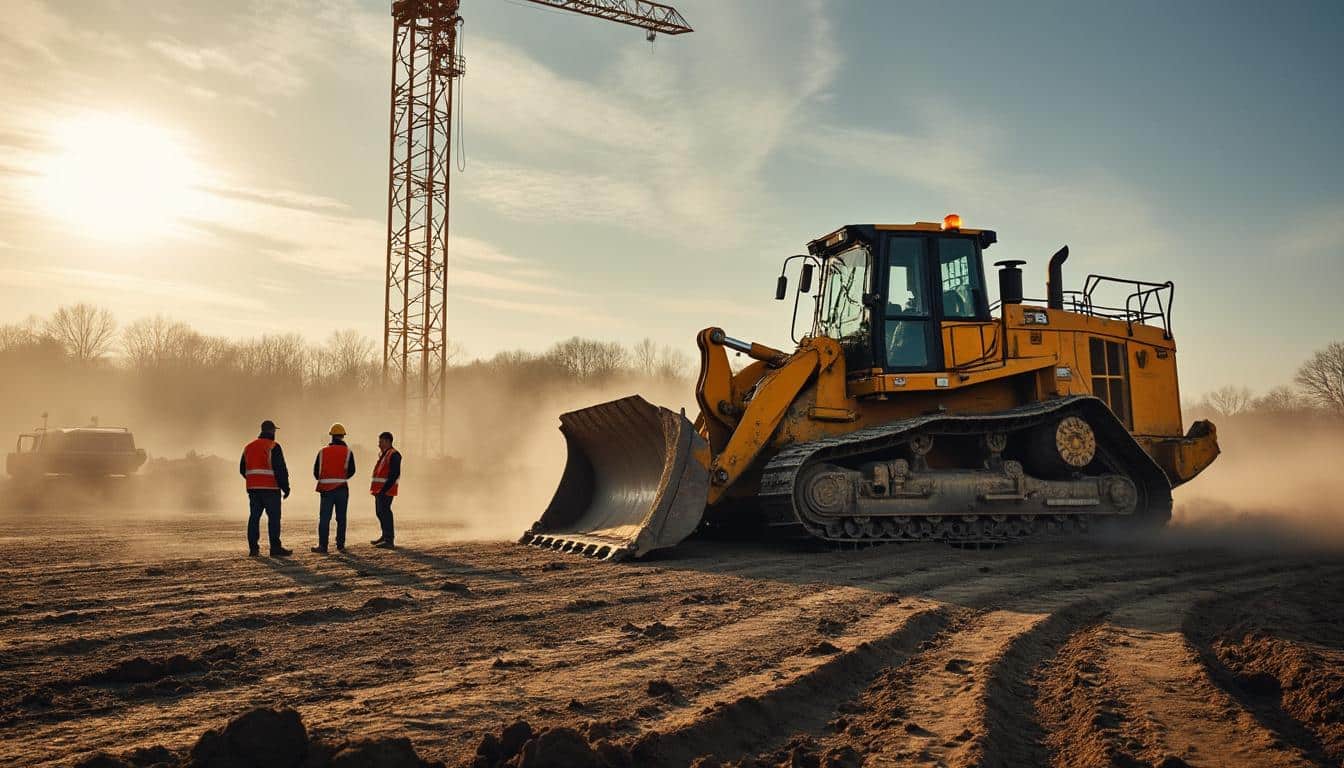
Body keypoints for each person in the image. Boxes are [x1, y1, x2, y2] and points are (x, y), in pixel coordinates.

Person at [239, 419, 291, 557]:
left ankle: (253, 549)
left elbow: (242, 469)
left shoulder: (248, 447)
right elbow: (280, 469)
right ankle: (275, 548)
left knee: (254, 517)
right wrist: (286, 488)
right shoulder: (273, 446)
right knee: (274, 518)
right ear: (272, 431)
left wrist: (253, 480)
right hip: (271, 489)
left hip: (253, 489)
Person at [311, 422, 356, 554]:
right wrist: (341, 478)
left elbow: (315, 472)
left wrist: (326, 480)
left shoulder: (323, 452)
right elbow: (352, 470)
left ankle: (323, 546)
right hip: (342, 489)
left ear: (331, 436)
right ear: (343, 436)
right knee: (341, 518)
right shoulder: (348, 452)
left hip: (326, 490)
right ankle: (340, 545)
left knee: (325, 518)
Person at [369, 431, 401, 549]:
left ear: (388, 441)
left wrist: (384, 489)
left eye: (381, 441)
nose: (379, 444)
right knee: (380, 512)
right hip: (380, 490)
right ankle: (385, 536)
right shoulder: (385, 454)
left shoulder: (394, 454)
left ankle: (389, 539)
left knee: (385, 512)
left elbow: (394, 474)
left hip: (386, 490)